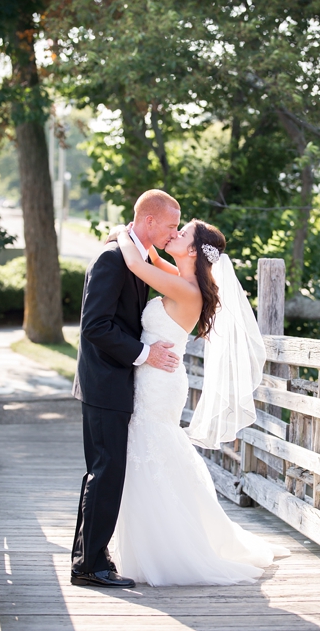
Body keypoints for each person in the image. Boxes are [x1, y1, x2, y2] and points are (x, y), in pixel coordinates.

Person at [110, 219, 290, 585]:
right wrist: (139, 239)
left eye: (182, 233)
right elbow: (151, 261)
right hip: (155, 377)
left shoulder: (188, 290)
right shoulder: (180, 278)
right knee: (150, 452)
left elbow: (135, 264)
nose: (174, 235)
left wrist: (120, 232)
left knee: (148, 450)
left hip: (158, 385)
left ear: (193, 250)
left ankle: (167, 549)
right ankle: (153, 542)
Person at [70, 189, 183, 588]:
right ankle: (89, 566)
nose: (175, 231)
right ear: (149, 221)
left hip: (114, 382)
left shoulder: (130, 254)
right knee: (105, 472)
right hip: (105, 382)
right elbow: (94, 325)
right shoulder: (113, 258)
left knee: (104, 472)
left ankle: (91, 557)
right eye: (171, 224)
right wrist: (144, 353)